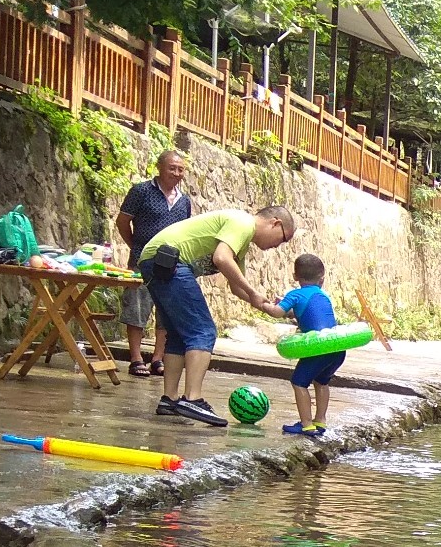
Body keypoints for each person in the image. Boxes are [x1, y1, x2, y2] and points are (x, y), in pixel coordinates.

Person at [140, 205, 295, 425]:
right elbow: (222, 258)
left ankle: (170, 400)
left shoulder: (241, 243)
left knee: (177, 335)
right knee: (203, 331)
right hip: (170, 261)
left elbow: (235, 286)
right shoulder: (242, 223)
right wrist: (253, 292)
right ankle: (193, 399)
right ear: (275, 223)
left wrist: (266, 305)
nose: (278, 246)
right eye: (283, 239)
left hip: (156, 261)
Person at [241, 252, 342, 435]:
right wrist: (291, 311)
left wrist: (262, 305)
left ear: (295, 276)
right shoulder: (323, 296)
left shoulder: (295, 295)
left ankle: (306, 424)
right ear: (322, 279)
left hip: (317, 348)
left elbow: (277, 312)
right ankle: (320, 421)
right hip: (337, 347)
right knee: (321, 381)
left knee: (299, 382)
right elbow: (311, 315)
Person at [113, 147, 191, 376]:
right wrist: (136, 246)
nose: (176, 173)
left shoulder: (184, 201)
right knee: (137, 307)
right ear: (159, 168)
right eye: (172, 168)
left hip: (171, 264)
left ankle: (158, 358)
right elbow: (122, 221)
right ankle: (136, 358)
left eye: (181, 169)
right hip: (142, 260)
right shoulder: (141, 191)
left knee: (166, 312)